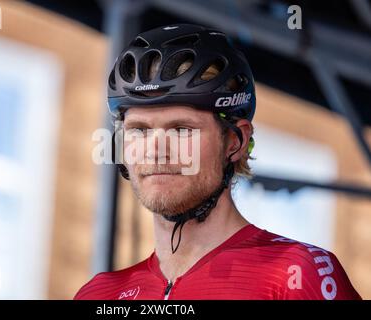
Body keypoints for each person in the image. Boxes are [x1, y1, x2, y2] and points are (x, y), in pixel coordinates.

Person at [74, 24, 361, 300]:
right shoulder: (99, 294)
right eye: (140, 130)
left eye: (182, 129)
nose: (156, 150)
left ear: (234, 141)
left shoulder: (296, 274)